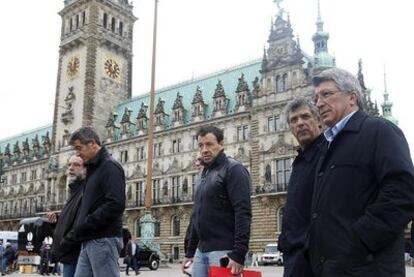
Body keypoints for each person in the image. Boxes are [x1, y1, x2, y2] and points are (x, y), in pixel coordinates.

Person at [308, 67, 414, 276]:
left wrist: (360, 239)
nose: (319, 103)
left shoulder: (380, 130)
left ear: (352, 98)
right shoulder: (328, 144)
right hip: (333, 268)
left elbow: (403, 193)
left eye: (327, 94)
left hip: (368, 267)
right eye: (316, 98)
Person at [182, 126, 252, 277]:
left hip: (224, 251)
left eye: (209, 144)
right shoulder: (202, 174)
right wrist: (189, 252)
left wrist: (239, 253)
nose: (204, 149)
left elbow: (243, 212)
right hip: (201, 252)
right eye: (201, 145)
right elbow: (196, 215)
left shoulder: (234, 169)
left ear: (221, 144)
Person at [69, 126, 126, 277]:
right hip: (89, 239)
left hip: (103, 239)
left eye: (79, 148)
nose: (78, 154)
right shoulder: (93, 169)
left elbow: (116, 203)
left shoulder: (109, 166)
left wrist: (88, 222)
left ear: (92, 143)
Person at [277, 97, 322, 277]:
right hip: (295, 255)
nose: (300, 123)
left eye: (305, 116)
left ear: (318, 119)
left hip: (313, 254)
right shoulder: (300, 159)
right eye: (294, 120)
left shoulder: (329, 153)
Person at [46, 155, 86, 277]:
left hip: (76, 251)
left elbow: (82, 221)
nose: (70, 168)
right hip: (69, 253)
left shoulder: (86, 190)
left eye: (76, 165)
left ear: (86, 169)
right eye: (69, 164)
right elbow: (71, 219)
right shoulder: (74, 191)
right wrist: (57, 220)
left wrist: (66, 241)